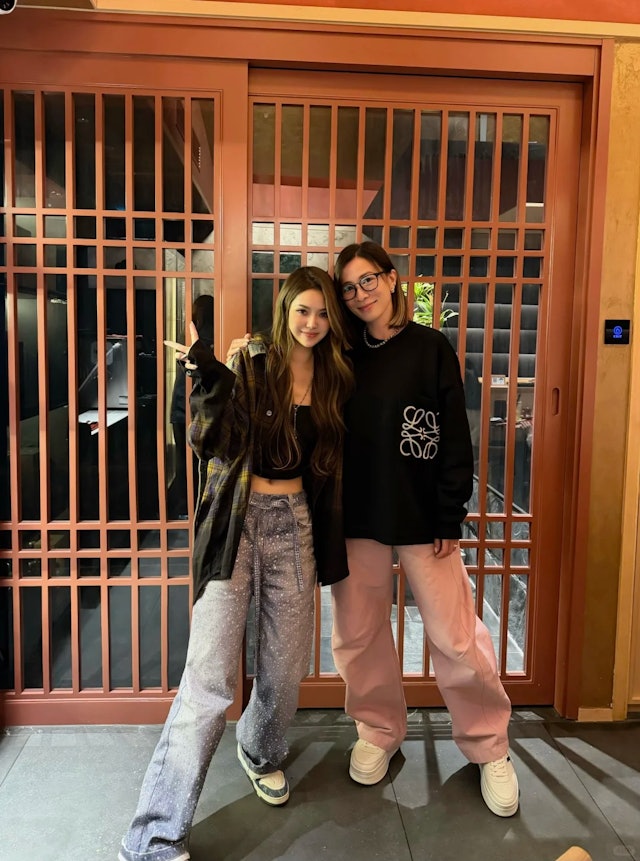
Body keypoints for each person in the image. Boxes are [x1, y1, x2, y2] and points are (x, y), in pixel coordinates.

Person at [119, 266, 354, 861]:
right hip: (237, 524)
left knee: (286, 667)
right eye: (302, 311)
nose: (312, 323)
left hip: (296, 526)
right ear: (284, 310)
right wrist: (208, 377)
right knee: (208, 680)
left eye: (322, 313)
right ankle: (153, 836)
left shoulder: (334, 377)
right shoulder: (251, 361)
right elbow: (209, 443)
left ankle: (259, 750)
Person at [330, 240, 519, 817]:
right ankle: (378, 729)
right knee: (358, 633)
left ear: (392, 279)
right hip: (356, 515)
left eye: (368, 280)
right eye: (348, 287)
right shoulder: (340, 352)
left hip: (421, 515)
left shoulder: (430, 346)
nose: (359, 294)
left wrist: (448, 510)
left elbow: (454, 435)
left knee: (455, 636)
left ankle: (489, 744)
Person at [168, 294, 213, 519]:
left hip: (180, 405)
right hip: (200, 408)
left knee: (183, 461)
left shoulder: (187, 335)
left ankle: (182, 507)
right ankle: (196, 507)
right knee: (201, 462)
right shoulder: (211, 337)